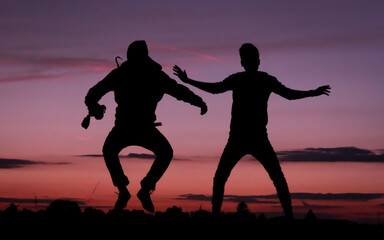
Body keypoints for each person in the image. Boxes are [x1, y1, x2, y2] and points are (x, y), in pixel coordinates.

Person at [173, 43, 330, 218]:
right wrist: (188, 81)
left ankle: (289, 218)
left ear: (255, 61)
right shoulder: (245, 79)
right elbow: (216, 89)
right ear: (244, 62)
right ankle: (216, 217)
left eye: (252, 59)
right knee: (224, 178)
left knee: (275, 179)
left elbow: (288, 94)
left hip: (256, 138)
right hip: (240, 139)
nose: (251, 62)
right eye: (248, 59)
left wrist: (312, 93)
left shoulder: (263, 79)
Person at [84, 40, 207, 212]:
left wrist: (94, 107)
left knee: (110, 150)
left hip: (128, 128)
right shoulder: (153, 75)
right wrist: (199, 102)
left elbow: (92, 94)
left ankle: (127, 190)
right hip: (139, 128)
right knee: (164, 152)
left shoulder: (121, 74)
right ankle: (139, 189)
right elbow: (179, 91)